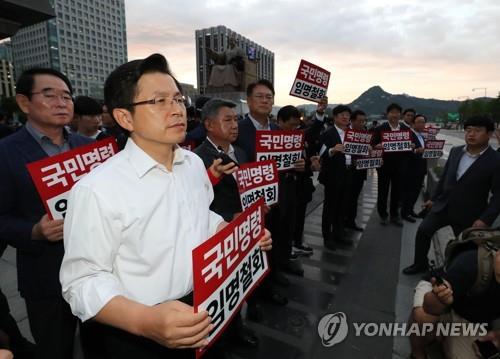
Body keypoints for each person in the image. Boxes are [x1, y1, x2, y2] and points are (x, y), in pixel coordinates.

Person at [60, 54, 272, 359]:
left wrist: (237, 233)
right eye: (159, 101)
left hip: (206, 307)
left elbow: (203, 217)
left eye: (177, 98)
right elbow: (82, 282)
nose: (176, 110)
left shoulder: (194, 165)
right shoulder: (96, 190)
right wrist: (146, 321)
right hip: (139, 333)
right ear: (125, 118)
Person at [0, 68, 92, 359]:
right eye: (49, 95)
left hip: (96, 269)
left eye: (66, 96)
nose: (61, 102)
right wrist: (33, 232)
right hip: (45, 276)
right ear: (25, 103)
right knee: (56, 349)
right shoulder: (5, 153)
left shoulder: (89, 148)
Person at [194, 98, 259, 348]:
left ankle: (237, 328)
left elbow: (249, 186)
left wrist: (256, 204)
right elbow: (197, 201)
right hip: (217, 235)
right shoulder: (197, 159)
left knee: (240, 283)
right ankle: (224, 336)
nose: (235, 125)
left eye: (236, 119)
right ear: (209, 124)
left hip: (244, 228)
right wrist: (229, 217)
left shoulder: (240, 151)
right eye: (228, 120)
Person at [403, 116, 500, 275]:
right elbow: (444, 179)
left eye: (477, 130)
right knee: (423, 231)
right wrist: (433, 199)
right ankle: (420, 264)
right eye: (468, 130)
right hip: (443, 206)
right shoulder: (456, 152)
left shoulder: (496, 160)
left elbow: (498, 196)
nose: (471, 134)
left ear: (489, 134)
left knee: (463, 248)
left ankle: (452, 274)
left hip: (470, 213)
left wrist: (485, 219)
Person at [408, 246, 500, 359]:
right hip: (438, 299)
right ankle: (417, 354)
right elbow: (430, 308)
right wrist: (440, 299)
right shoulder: (469, 264)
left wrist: (496, 336)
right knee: (423, 317)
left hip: (469, 319)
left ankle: (441, 335)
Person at [319, 105, 354, 250]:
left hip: (348, 172)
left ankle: (339, 233)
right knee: (330, 206)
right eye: (342, 115)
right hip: (333, 174)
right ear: (335, 117)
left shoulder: (352, 134)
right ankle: (328, 237)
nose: (345, 117)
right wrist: (333, 150)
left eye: (347, 115)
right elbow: (321, 153)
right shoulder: (328, 133)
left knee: (343, 205)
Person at [371, 103, 410, 226]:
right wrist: (377, 146)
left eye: (397, 112)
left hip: (400, 166)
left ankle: (395, 215)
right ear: (387, 114)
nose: (394, 114)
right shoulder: (380, 129)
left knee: (397, 192)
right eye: (392, 112)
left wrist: (411, 146)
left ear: (400, 115)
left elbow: (410, 144)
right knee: (382, 191)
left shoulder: (405, 129)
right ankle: (383, 214)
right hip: (384, 166)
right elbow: (372, 145)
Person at [344, 110, 368, 231]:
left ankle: (351, 221)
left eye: (364, 121)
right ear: (352, 121)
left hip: (360, 170)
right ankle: (341, 223)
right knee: (345, 198)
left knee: (354, 198)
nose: (362, 123)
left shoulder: (365, 133)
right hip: (347, 172)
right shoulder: (345, 132)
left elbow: (367, 152)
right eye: (360, 121)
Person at [401, 114, 428, 223]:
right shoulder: (408, 135)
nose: (422, 124)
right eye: (419, 122)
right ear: (412, 124)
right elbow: (404, 150)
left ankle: (410, 210)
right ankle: (405, 213)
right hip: (410, 169)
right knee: (409, 192)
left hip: (420, 169)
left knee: (416, 192)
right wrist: (416, 151)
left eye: (423, 122)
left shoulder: (421, 136)